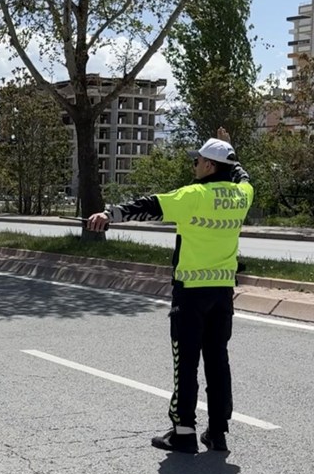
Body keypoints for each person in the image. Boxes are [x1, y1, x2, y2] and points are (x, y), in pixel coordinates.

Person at [87, 128, 253, 454]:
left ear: (208, 166)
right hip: (222, 294)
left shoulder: (194, 195)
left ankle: (184, 433)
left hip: (190, 293)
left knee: (186, 364)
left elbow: (149, 206)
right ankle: (217, 432)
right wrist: (230, 149)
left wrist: (109, 215)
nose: (195, 166)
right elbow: (243, 174)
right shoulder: (242, 195)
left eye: (198, 161)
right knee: (218, 362)